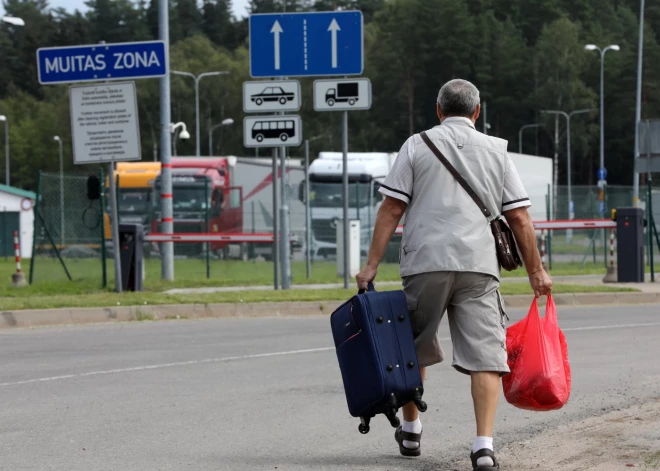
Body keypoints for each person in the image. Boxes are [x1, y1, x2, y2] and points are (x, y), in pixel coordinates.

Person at [355, 79, 552, 471]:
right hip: (478, 266)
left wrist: (371, 265)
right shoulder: (498, 151)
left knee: (412, 346)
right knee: (485, 358)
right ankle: (483, 447)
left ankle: (411, 431)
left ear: (438, 110)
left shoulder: (416, 145)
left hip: (425, 261)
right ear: (477, 112)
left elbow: (392, 210)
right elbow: (519, 218)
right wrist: (537, 272)